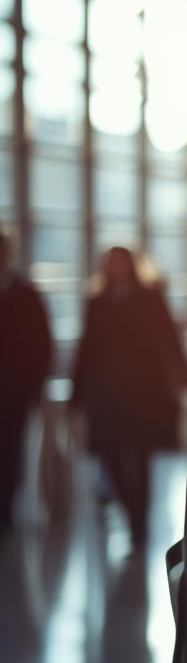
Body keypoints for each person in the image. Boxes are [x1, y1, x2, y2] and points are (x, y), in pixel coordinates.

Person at [70, 247, 185, 547]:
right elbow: (86, 347)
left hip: (142, 392)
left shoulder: (149, 298)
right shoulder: (96, 302)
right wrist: (77, 391)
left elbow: (169, 340)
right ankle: (130, 510)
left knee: (141, 456)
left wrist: (179, 379)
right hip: (106, 393)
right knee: (108, 453)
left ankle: (139, 523)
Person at [0, 231, 53, 540]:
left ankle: (5, 510)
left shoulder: (26, 296)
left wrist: (34, 386)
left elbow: (41, 345)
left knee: (9, 452)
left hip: (14, 394)